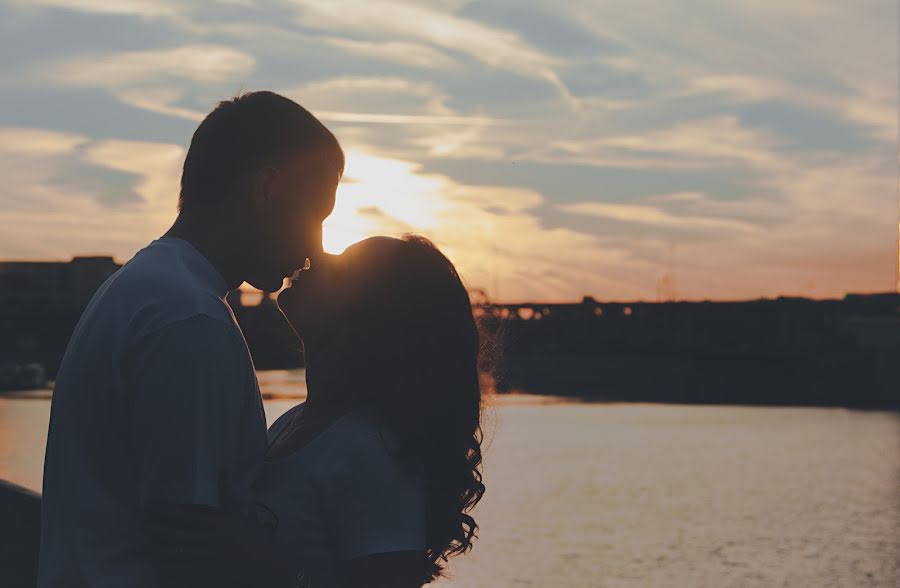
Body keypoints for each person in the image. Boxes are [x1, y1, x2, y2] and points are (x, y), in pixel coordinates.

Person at [37, 91, 343, 588]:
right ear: (266, 188)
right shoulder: (190, 318)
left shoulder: (147, 287)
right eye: (316, 215)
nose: (316, 248)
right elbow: (191, 541)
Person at [150, 235, 487, 587]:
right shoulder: (293, 423)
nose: (318, 256)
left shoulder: (373, 451)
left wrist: (260, 566)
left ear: (377, 316)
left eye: (347, 267)